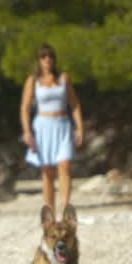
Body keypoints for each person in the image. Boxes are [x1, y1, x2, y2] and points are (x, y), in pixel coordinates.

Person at [21, 43, 84, 213]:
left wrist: (80, 127)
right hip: (43, 127)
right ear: (39, 60)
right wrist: (27, 131)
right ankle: (50, 210)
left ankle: (65, 208)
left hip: (62, 124)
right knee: (48, 170)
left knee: (64, 165)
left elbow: (75, 104)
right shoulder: (33, 81)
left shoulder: (64, 79)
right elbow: (25, 107)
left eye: (50, 56)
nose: (47, 59)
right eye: (43, 56)